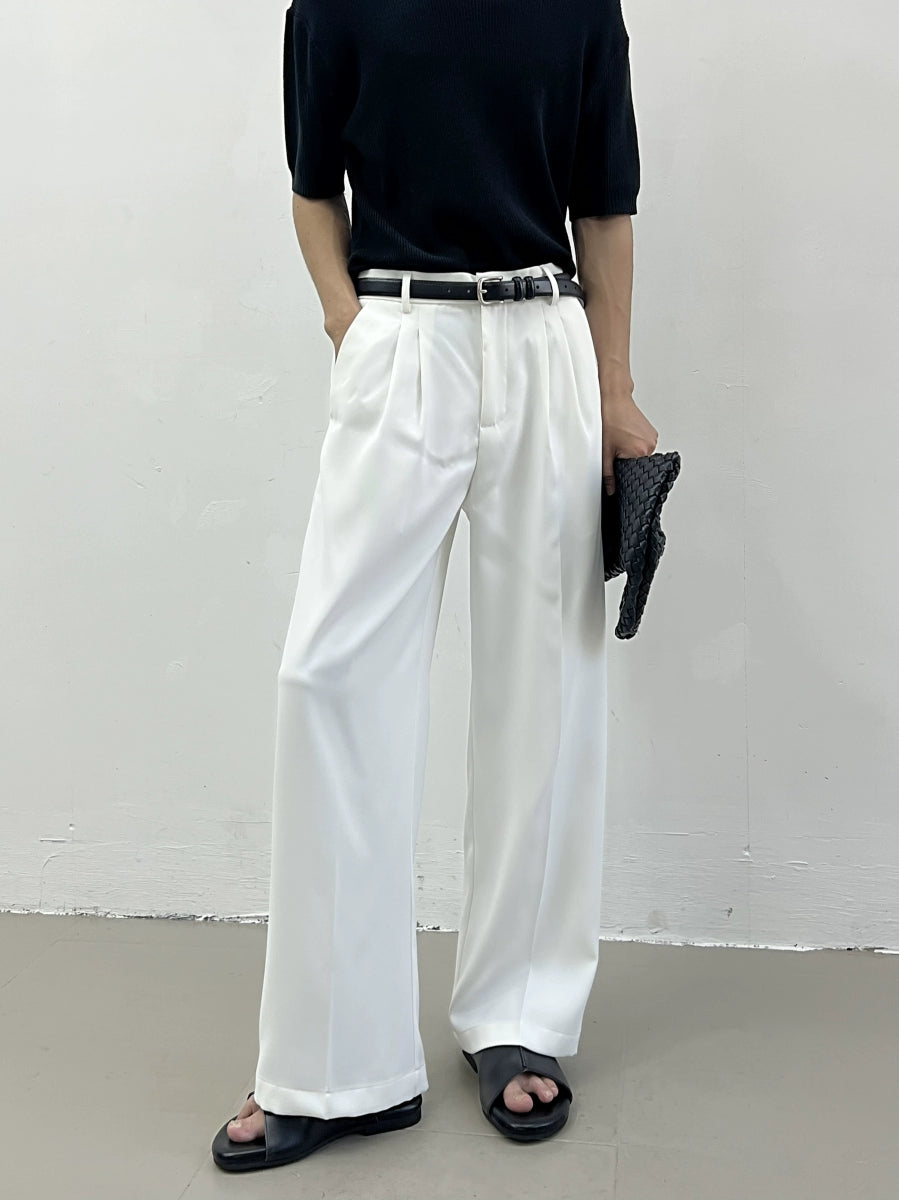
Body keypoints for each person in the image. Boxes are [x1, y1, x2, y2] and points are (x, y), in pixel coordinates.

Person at [212, 0, 658, 1172]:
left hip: (546, 337)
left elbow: (603, 204)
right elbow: (314, 187)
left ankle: (520, 1018)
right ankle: (330, 1064)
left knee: (547, 691)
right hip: (402, 338)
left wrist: (615, 392)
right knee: (327, 678)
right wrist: (349, 325)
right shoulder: (332, 5)